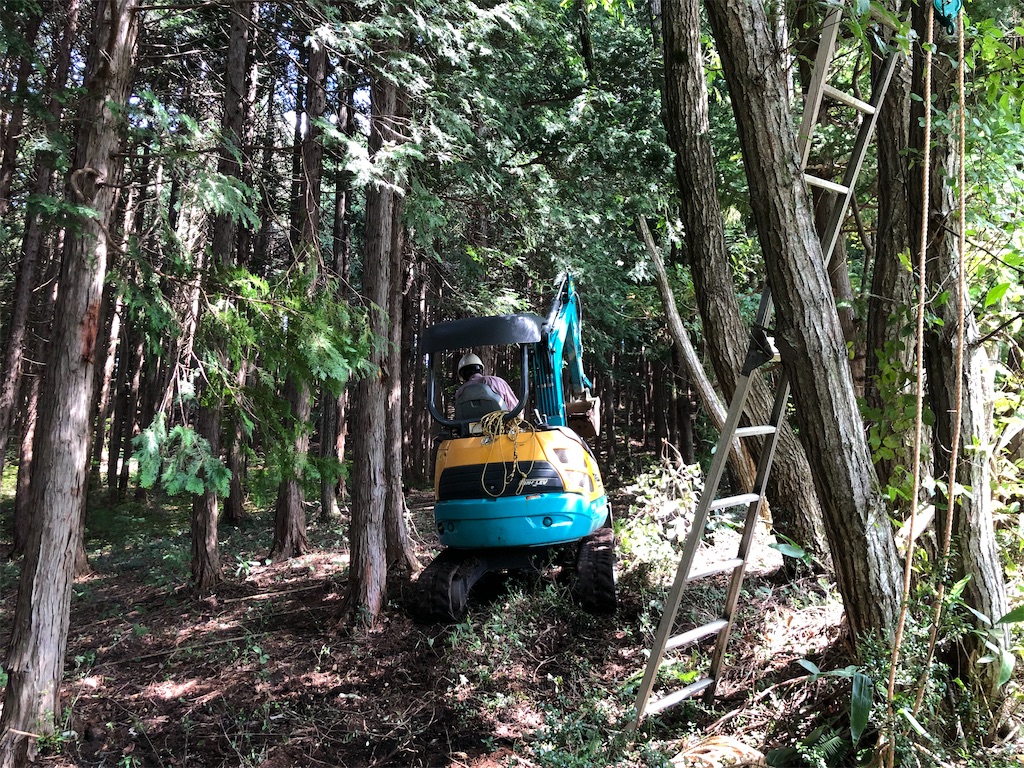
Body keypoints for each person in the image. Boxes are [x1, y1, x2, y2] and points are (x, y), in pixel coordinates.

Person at [455, 353, 519, 411]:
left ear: (462, 374)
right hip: (500, 420)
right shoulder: (497, 382)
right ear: (481, 369)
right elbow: (516, 409)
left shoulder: (460, 392)